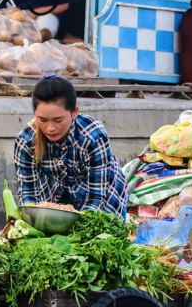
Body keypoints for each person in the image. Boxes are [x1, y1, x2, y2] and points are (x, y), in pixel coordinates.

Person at [14, 76, 127, 217]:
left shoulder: (93, 135)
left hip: (102, 193)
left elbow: (96, 196)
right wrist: (31, 216)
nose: (50, 128)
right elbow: (28, 191)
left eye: (58, 120)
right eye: (42, 120)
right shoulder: (26, 140)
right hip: (56, 192)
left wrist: (86, 220)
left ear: (74, 112)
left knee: (100, 232)